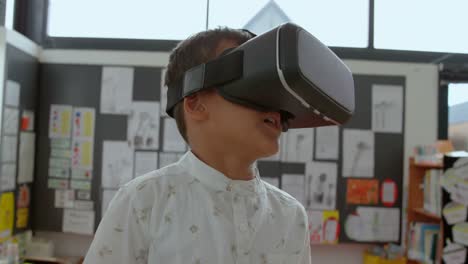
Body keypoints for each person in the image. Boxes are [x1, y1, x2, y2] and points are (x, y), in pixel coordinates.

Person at [84, 27, 311, 264]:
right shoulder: (144, 201)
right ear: (195, 104)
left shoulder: (291, 215)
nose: (273, 103)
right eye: (253, 82)